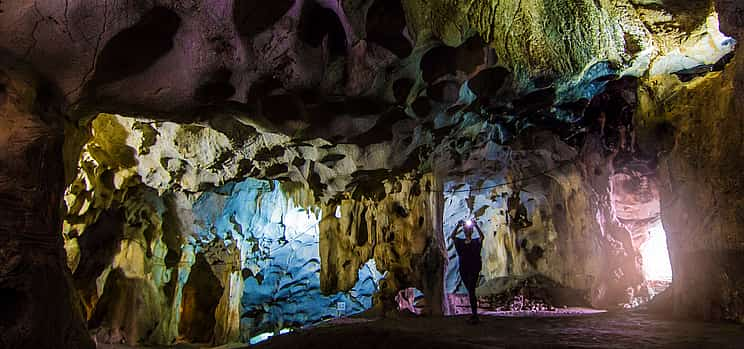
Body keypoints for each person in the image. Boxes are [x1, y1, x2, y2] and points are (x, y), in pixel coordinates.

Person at [449, 218, 485, 323]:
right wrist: (458, 225)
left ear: (471, 231)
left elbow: (482, 237)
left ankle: (474, 315)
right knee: (470, 291)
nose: (467, 231)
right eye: (466, 230)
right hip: (464, 270)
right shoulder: (460, 242)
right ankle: (474, 315)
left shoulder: (475, 242)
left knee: (471, 290)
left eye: (468, 230)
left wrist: (476, 225)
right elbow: (452, 237)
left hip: (473, 269)